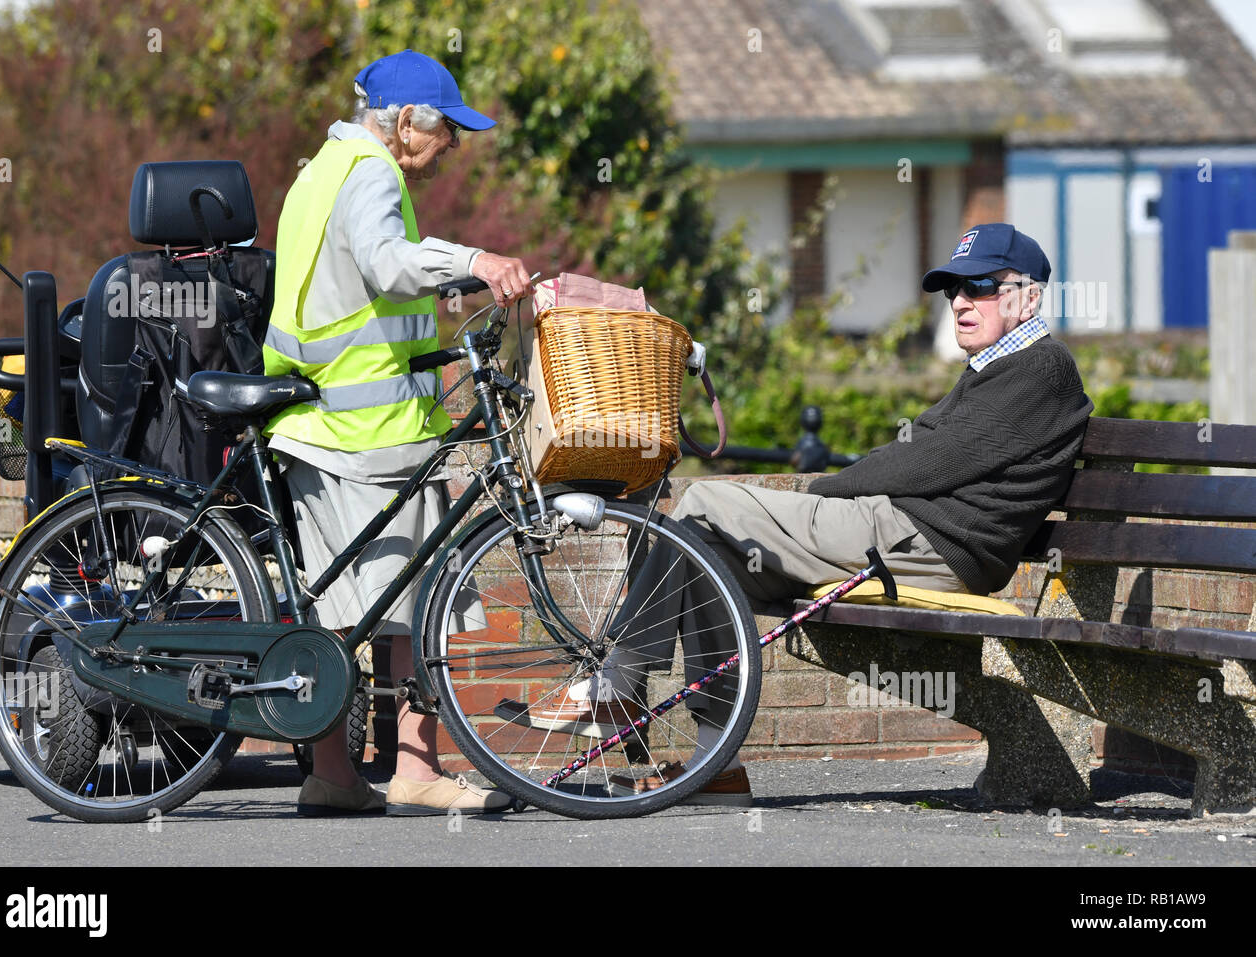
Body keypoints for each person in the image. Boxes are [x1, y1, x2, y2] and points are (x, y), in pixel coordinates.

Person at [508, 223, 1094, 806]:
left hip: (929, 545)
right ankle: (717, 763)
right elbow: (927, 454)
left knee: (704, 503)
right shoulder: (999, 366)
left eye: (982, 287)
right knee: (703, 551)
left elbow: (928, 463)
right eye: (953, 290)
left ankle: (619, 681)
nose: (962, 302)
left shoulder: (1041, 369)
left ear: (1029, 295)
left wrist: (825, 489)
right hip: (908, 534)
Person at [262, 49, 533, 816]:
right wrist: (476, 259)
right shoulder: (374, 172)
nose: (452, 145)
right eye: (447, 128)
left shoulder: (322, 170)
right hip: (370, 431)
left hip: (325, 420)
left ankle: (333, 775)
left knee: (339, 611)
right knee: (422, 605)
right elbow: (385, 265)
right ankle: (414, 767)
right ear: (406, 120)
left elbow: (351, 296)